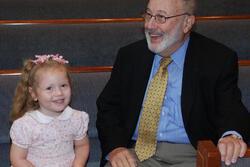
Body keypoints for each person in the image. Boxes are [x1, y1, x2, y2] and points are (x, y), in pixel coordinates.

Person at [96, 0, 250, 166]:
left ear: (187, 23)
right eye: (148, 15)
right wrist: (115, 148)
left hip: (193, 154)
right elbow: (108, 108)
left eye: (161, 17)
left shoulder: (217, 59)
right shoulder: (130, 56)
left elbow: (230, 107)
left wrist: (230, 136)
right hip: (135, 154)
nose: (150, 25)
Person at [10, 54, 90, 167]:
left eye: (63, 85)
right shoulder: (26, 125)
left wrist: (78, 164)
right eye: (49, 88)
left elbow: (82, 145)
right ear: (34, 93)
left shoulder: (76, 118)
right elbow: (17, 158)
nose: (59, 93)